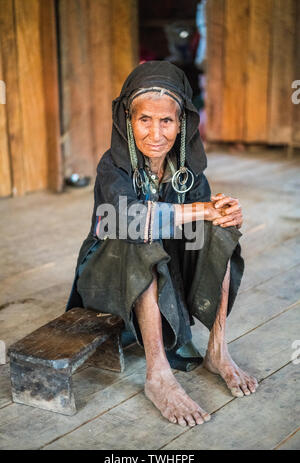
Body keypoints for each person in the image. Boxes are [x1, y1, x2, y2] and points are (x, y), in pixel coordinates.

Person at [66, 61, 258, 427]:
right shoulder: (113, 167)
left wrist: (222, 213)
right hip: (111, 277)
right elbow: (130, 219)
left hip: (166, 271)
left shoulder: (187, 169)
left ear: (182, 123)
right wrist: (201, 210)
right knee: (139, 237)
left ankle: (218, 350)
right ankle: (157, 375)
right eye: (144, 120)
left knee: (219, 234)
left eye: (166, 121)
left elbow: (199, 224)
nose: (156, 133)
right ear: (127, 119)